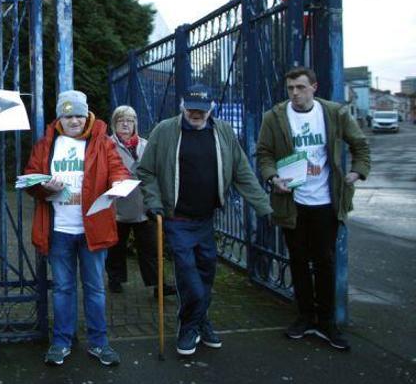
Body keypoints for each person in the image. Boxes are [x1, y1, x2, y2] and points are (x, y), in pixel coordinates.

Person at [138, 83, 272, 356]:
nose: (195, 115)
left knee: (206, 273)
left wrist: (264, 207)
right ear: (182, 107)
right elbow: (146, 171)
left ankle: (200, 321)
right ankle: (189, 327)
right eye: (190, 109)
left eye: (201, 110)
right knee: (189, 278)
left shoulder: (222, 131)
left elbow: (242, 172)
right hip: (177, 219)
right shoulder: (164, 131)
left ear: (212, 108)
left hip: (206, 219)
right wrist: (153, 202)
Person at [256, 66, 370, 351]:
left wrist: (356, 173)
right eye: (291, 88)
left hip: (326, 202)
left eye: (301, 87)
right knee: (297, 260)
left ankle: (327, 322)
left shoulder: (334, 113)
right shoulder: (275, 116)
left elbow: (360, 145)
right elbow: (264, 154)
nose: (295, 93)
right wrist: (272, 178)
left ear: (314, 87)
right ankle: (305, 316)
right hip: (292, 201)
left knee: (325, 261)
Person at [24, 90, 128, 367]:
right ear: (60, 116)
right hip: (58, 230)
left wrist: (118, 184)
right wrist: (41, 186)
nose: (75, 121)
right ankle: (61, 342)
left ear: (87, 115)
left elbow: (118, 169)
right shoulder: (46, 144)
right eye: (69, 115)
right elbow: (30, 177)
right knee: (63, 289)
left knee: (95, 289)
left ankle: (99, 343)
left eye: (79, 115)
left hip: (92, 228)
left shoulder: (102, 142)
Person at [104, 105, 176, 298]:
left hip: (144, 205)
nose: (126, 124)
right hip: (117, 205)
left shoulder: (146, 144)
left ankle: (158, 286)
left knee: (151, 247)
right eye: (121, 120)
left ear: (135, 123)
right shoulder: (106, 145)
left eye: (130, 120)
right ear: (114, 124)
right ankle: (115, 278)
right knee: (116, 247)